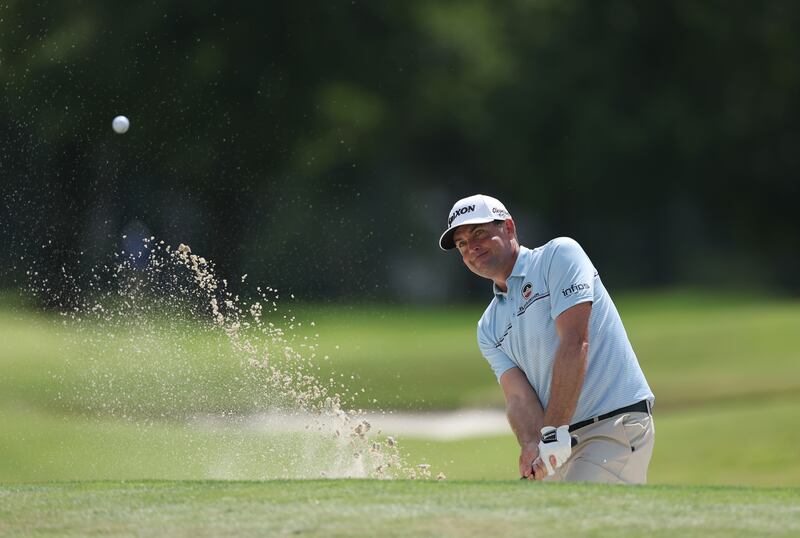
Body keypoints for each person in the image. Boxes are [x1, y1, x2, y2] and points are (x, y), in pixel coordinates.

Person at [439, 194, 655, 483]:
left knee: (578, 523)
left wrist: (553, 433)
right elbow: (518, 396)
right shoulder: (488, 326)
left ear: (509, 228)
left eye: (479, 233)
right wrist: (531, 443)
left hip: (611, 426)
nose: (471, 247)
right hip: (560, 441)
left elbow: (575, 342)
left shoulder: (559, 256)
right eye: (462, 244)